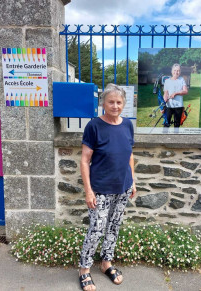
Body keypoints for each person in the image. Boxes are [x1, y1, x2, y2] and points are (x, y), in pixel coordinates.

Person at [78, 84, 137, 291]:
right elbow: (85, 160)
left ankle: (106, 263)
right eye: (110, 102)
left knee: (113, 227)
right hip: (100, 189)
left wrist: (133, 181)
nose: (115, 106)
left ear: (124, 104)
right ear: (103, 103)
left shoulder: (128, 125)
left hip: (123, 188)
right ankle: (84, 270)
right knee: (96, 230)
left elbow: (129, 154)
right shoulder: (94, 126)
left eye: (119, 102)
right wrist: (88, 191)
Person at [163, 64, 188, 129]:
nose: (176, 72)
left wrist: (176, 93)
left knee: (177, 125)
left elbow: (185, 91)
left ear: (180, 72)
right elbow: (165, 93)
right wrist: (164, 100)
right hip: (169, 106)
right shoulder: (167, 81)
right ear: (171, 71)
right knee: (166, 124)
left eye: (178, 71)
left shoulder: (181, 79)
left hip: (179, 106)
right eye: (175, 70)